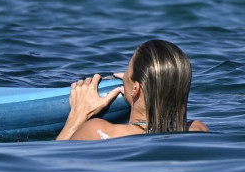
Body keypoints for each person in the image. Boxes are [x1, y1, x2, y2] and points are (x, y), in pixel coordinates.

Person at [56, 39, 208, 140]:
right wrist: (133, 81)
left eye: (127, 72)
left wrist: (78, 115)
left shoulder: (98, 131)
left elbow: (54, 166)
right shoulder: (198, 129)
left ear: (136, 88)